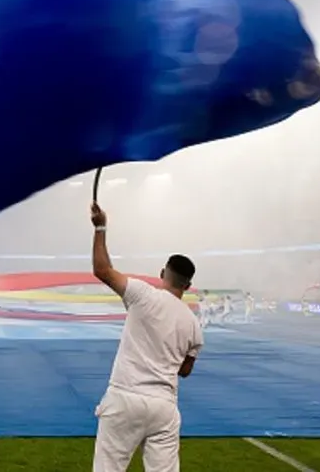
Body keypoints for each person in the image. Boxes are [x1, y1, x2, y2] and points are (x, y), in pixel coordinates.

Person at [89, 202, 203, 472]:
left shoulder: (143, 294)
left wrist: (100, 227)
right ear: (187, 286)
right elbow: (185, 370)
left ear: (162, 274)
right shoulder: (194, 324)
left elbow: (102, 270)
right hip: (164, 407)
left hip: (125, 398)